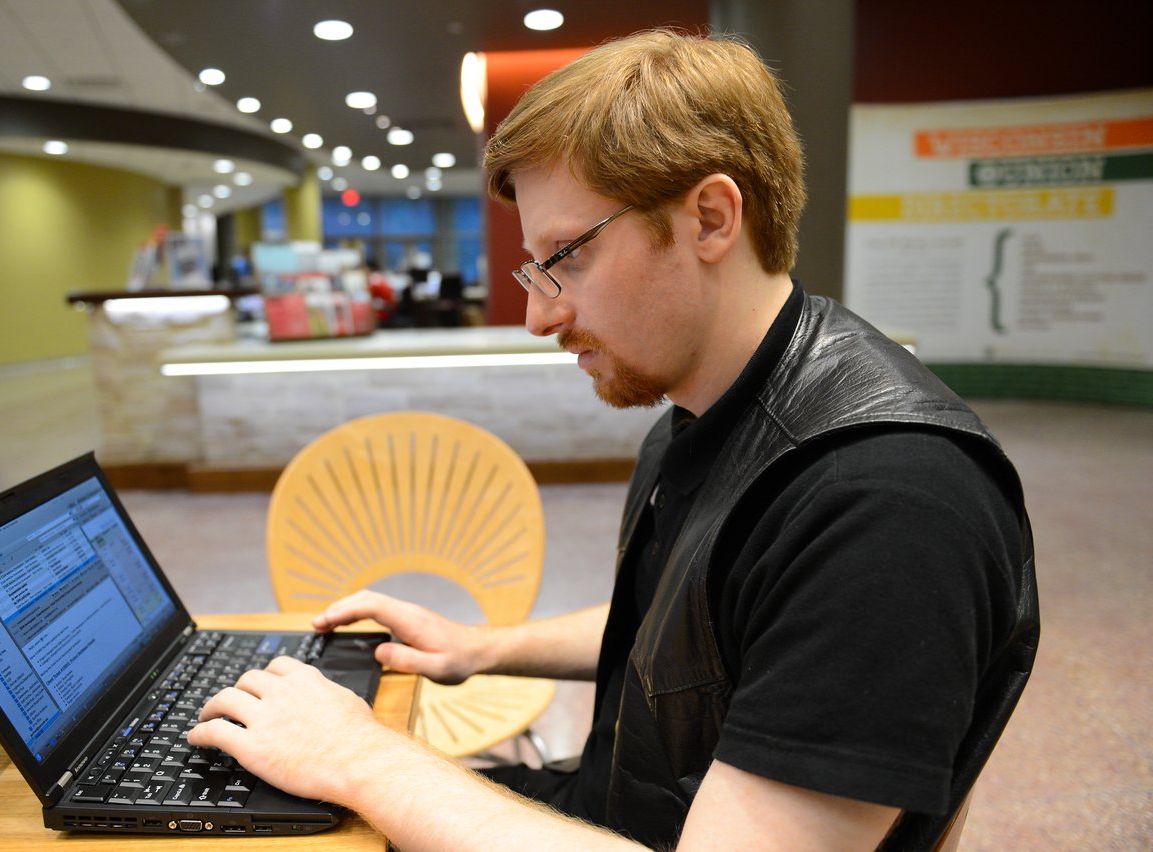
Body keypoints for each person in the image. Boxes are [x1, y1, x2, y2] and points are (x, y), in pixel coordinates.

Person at [190, 29, 1039, 850]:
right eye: (534, 267)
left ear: (710, 218)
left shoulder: (886, 504)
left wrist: (360, 757)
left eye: (567, 257)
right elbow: (709, 623)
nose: (538, 315)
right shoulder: (709, 407)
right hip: (610, 802)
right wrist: (485, 649)